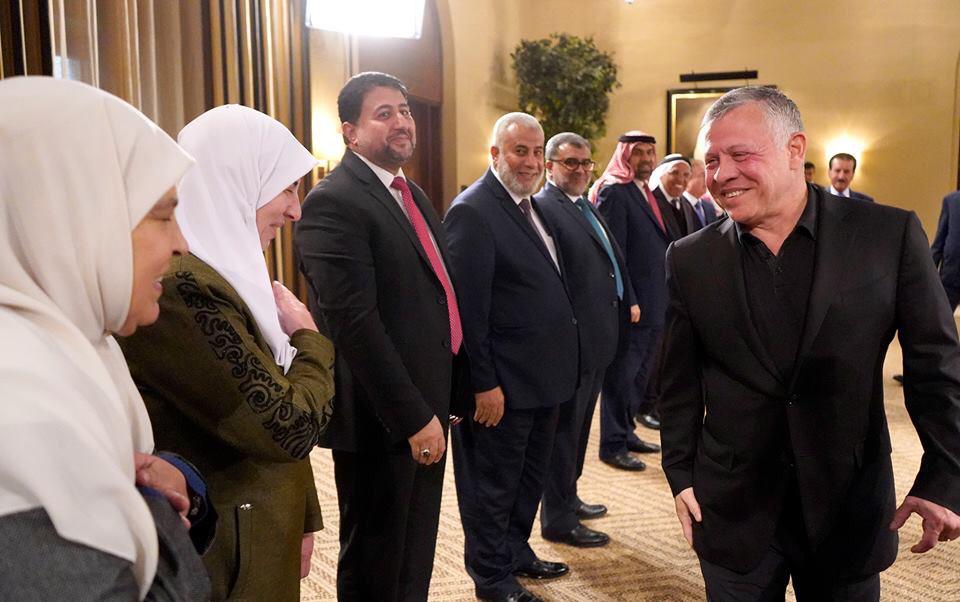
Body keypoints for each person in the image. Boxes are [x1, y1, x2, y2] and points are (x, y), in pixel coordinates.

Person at [660, 86, 960, 600]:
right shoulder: (688, 258)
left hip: (848, 505)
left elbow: (936, 370)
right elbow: (678, 382)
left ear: (794, 149)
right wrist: (680, 474)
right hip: (731, 509)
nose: (721, 174)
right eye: (710, 160)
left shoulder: (887, 235)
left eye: (740, 154)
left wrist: (945, 476)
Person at [0, 77, 209, 600]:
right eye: (162, 215)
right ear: (65, 218)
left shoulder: (78, 348)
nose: (181, 243)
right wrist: (152, 508)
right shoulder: (18, 410)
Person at [119, 104, 335, 601]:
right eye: (287, 188)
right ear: (237, 181)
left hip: (261, 524)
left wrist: (304, 513)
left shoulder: (230, 275)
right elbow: (285, 424)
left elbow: (272, 386)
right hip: (230, 543)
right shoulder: (184, 288)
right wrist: (310, 339)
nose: (296, 210)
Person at [295, 71, 468, 602]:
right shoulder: (334, 201)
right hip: (381, 417)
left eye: (405, 111)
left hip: (426, 403)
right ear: (350, 132)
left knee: (414, 551)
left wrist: (449, 393)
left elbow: (439, 293)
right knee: (376, 557)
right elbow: (355, 324)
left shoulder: (407, 193)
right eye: (384, 113)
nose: (402, 122)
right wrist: (412, 416)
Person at [445, 113, 578, 602]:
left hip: (540, 381)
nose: (531, 161)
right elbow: (468, 312)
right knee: (492, 487)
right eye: (519, 151)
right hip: (501, 385)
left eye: (537, 152)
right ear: (495, 154)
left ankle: (516, 551)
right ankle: (490, 576)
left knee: (527, 479)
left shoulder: (529, 206)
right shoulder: (473, 211)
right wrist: (483, 383)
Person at [534, 132, 639, 548]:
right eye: (570, 163)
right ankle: (557, 517)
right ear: (550, 166)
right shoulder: (546, 207)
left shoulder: (582, 204)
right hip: (573, 344)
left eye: (585, 163)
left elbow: (611, 261)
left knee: (578, 431)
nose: (580, 170)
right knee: (564, 435)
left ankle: (570, 497)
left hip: (597, 339)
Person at [592, 132, 665, 470]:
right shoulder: (615, 192)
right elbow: (613, 253)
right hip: (633, 307)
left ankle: (627, 432)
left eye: (650, 152)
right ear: (625, 156)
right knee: (622, 376)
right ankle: (612, 444)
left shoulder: (642, 191)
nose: (646, 158)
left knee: (639, 376)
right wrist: (629, 300)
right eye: (639, 153)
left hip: (654, 303)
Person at [651, 154, 697, 240]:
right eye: (675, 173)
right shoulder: (650, 202)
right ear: (661, 174)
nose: (680, 179)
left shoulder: (687, 205)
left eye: (686, 175)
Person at [930, 189, 960, 310]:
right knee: (940, 316)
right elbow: (939, 241)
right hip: (951, 274)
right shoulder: (951, 201)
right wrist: (928, 273)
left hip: (950, 272)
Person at [684, 158, 720, 228]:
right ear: (688, 178)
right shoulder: (679, 206)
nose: (706, 179)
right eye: (702, 175)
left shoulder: (709, 206)